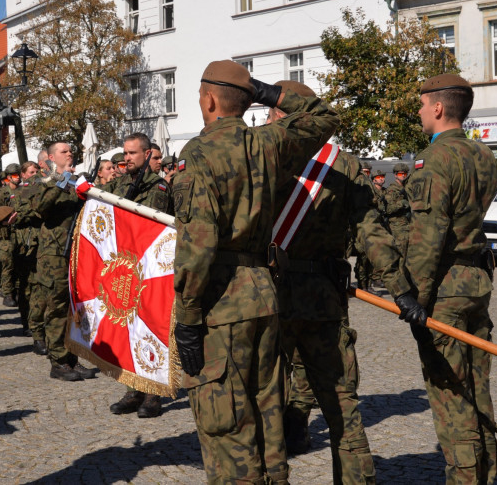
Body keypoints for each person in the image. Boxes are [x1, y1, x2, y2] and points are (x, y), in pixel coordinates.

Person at [172, 61, 336, 484]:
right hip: (263, 295)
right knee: (268, 420)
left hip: (220, 302)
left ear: (208, 100)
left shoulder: (200, 154)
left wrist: (187, 316)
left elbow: (199, 244)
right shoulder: (268, 142)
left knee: (227, 429)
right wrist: (264, 91)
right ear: (246, 102)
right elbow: (326, 116)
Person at [366, 73, 497, 484]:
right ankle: (487, 471)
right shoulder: (484, 156)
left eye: (423, 104)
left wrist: (412, 298)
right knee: (477, 384)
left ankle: (464, 478)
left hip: (445, 286)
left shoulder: (434, 161)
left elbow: (428, 240)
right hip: (477, 279)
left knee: (450, 390)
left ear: (438, 108)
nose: (420, 111)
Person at [266, 81, 377, 483]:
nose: (265, 120)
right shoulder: (344, 164)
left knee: (265, 404)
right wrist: (400, 285)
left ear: (284, 116)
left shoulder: (265, 155)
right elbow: (370, 232)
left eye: (270, 114)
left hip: (269, 297)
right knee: (342, 407)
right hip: (324, 300)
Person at [104, 133, 173, 419]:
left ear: (147, 154)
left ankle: (153, 394)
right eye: (124, 153)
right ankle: (132, 389)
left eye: (132, 153)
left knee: (150, 330)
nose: (126, 158)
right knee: (127, 328)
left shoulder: (155, 186)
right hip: (123, 264)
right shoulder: (120, 183)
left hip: (149, 268)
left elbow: (147, 224)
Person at [19, 141, 96, 381]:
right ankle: (58, 361)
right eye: (64, 151)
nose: (70, 153)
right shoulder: (44, 183)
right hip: (54, 255)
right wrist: (60, 184)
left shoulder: (77, 183)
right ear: (52, 158)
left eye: (70, 151)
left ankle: (72, 357)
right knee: (56, 308)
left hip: (76, 254)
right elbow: (39, 208)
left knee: (75, 308)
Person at [15, 161, 46, 353]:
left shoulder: (43, 191)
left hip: (43, 246)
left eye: (37, 172)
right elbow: (17, 215)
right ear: (24, 175)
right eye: (31, 172)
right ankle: (33, 329)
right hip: (26, 247)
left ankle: (40, 331)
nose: (35, 175)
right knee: (28, 290)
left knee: (41, 292)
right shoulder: (20, 193)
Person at [0, 163, 22, 308]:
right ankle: (7, 293)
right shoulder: (4, 193)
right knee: (8, 264)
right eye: (14, 175)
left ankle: (17, 290)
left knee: (18, 263)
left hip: (19, 233)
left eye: (19, 175)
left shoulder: (21, 191)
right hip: (6, 234)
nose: (18, 178)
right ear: (8, 177)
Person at [383, 162, 412, 255]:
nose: (403, 176)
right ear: (395, 175)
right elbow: (388, 209)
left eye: (405, 174)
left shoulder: (409, 188)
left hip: (409, 225)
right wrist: (401, 203)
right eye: (400, 174)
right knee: (401, 256)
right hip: (398, 227)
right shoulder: (392, 190)